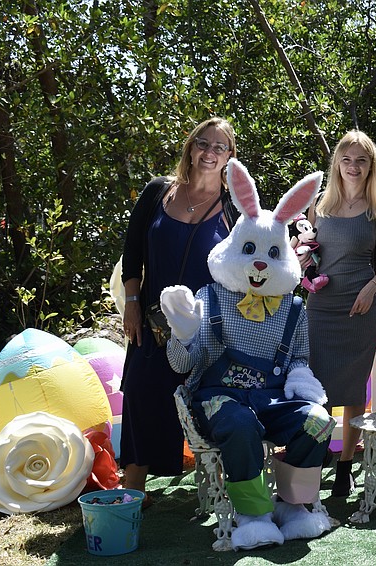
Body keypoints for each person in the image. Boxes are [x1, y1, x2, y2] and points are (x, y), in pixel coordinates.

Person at [120, 117, 237, 502]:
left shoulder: (232, 206)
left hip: (205, 330)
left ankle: (220, 490)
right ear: (191, 146)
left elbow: (247, 265)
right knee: (140, 395)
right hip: (153, 323)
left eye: (220, 147)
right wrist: (132, 304)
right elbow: (133, 251)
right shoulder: (159, 192)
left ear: (229, 157)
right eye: (204, 143)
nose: (209, 153)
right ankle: (132, 491)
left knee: (208, 404)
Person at [306, 130, 376, 497]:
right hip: (322, 307)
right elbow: (307, 251)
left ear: (371, 165)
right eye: (347, 159)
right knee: (317, 388)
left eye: (361, 160)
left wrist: (371, 287)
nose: (353, 166)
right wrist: (307, 273)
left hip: (361, 306)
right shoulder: (320, 206)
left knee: (355, 387)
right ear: (337, 163)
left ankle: (346, 465)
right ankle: (314, 458)